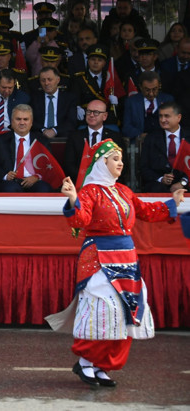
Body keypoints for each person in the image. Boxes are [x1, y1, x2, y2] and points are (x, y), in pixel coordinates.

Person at [51, 141, 182, 388]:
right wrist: (72, 200)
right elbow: (80, 220)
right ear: (102, 163)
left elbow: (145, 210)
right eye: (114, 159)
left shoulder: (123, 191)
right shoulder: (90, 192)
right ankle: (86, 361)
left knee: (125, 314)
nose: (120, 163)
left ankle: (103, 365)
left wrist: (172, 203)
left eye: (121, 159)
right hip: (99, 258)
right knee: (103, 311)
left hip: (127, 260)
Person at [0, 104, 53, 192]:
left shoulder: (42, 140)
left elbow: (49, 167)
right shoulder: (1, 140)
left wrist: (37, 177)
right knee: (10, 189)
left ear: (31, 122)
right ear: (12, 121)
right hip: (10, 182)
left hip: (35, 181)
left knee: (44, 189)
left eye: (25, 119)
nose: (22, 123)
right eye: (18, 119)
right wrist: (6, 175)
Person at [64, 100, 123, 181]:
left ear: (105, 116)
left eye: (96, 112)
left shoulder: (115, 138)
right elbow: (69, 165)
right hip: (81, 183)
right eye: (88, 111)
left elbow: (122, 165)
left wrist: (103, 178)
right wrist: (87, 178)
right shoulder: (75, 137)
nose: (91, 115)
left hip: (108, 182)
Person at [140, 102, 186, 193]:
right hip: (158, 185)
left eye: (167, 116)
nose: (162, 119)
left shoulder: (188, 138)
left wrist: (183, 182)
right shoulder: (151, 138)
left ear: (178, 117)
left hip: (185, 183)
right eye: (160, 116)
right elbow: (144, 168)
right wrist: (161, 179)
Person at [30, 67, 79, 139]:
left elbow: (72, 121)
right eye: (43, 80)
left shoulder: (69, 98)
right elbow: (31, 120)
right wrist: (43, 130)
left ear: (58, 80)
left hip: (63, 136)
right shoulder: (34, 98)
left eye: (49, 79)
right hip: (40, 135)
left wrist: (55, 130)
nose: (46, 83)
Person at [122, 71, 174, 138]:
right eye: (147, 90)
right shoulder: (131, 102)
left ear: (159, 86)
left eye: (154, 89)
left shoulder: (168, 99)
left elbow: (173, 123)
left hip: (163, 139)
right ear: (140, 87)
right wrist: (140, 135)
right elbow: (127, 127)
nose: (151, 93)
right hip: (142, 141)